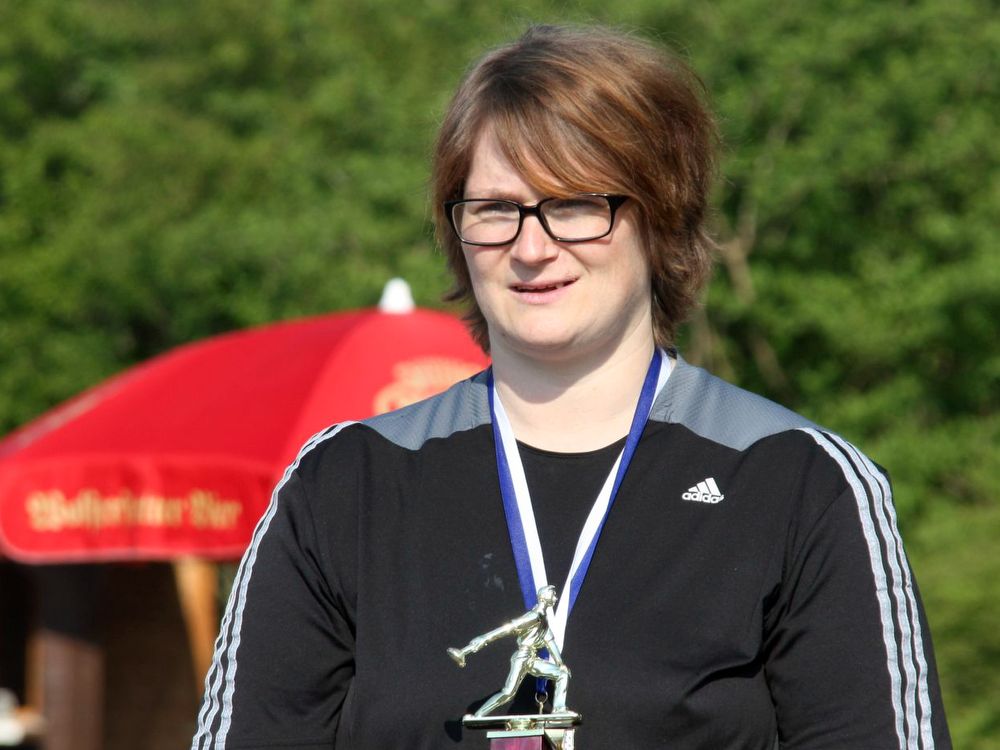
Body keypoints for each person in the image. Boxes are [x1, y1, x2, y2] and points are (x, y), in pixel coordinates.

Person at [192, 24, 951, 749]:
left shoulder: (801, 484)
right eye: (496, 209)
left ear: (661, 214)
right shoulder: (343, 486)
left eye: (575, 205)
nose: (531, 246)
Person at [448, 584, 573, 718]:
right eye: (553, 594)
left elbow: (550, 641)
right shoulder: (533, 617)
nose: (556, 597)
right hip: (522, 657)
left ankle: (559, 709)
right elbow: (508, 628)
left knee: (562, 673)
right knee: (508, 693)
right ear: (544, 597)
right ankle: (478, 715)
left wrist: (560, 663)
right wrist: (485, 638)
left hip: (532, 658)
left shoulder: (543, 619)